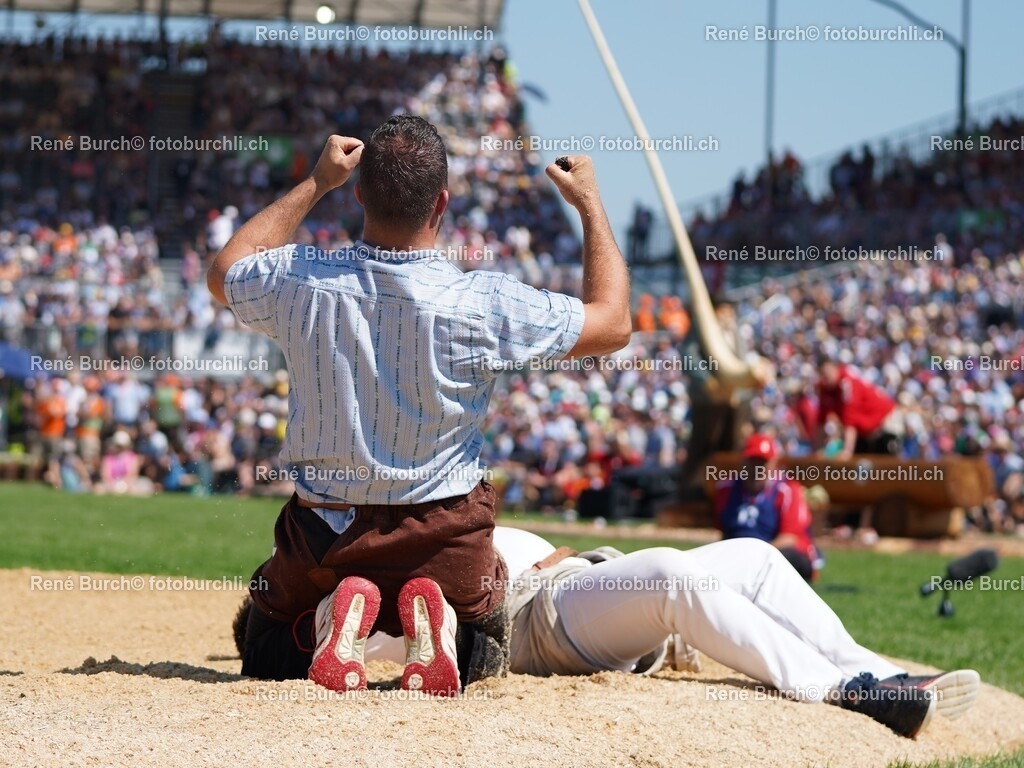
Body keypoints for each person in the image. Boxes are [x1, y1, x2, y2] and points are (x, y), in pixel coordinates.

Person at [208, 116, 631, 695]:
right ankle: (446, 621)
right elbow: (613, 323)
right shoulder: (483, 301)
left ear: (358, 194)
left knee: (264, 646)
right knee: (485, 646)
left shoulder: (303, 279)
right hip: (446, 538)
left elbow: (225, 269)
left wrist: (315, 183)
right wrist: (588, 204)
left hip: (325, 538)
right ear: (442, 203)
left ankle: (333, 616)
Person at [357, 528, 979, 739]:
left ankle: (883, 673)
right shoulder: (385, 587)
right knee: (672, 574)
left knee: (756, 557)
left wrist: (560, 558)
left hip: (579, 586)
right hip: (533, 618)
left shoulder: (454, 520)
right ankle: (845, 687)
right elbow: (415, 634)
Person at [714, 433, 823, 581]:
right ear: (743, 461)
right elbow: (723, 532)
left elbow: (791, 538)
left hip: (777, 552)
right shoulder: (726, 489)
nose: (757, 468)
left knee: (785, 558)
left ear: (774, 463)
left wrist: (754, 557)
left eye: (762, 463)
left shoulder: (787, 490)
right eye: (752, 462)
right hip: (740, 555)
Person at [815, 361, 898, 458]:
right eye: (822, 374)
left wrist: (847, 451)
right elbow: (820, 421)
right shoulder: (825, 388)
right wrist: (817, 449)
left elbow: (850, 419)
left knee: (888, 463)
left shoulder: (846, 382)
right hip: (863, 433)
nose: (825, 377)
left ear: (835, 369)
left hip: (884, 422)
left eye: (827, 373)